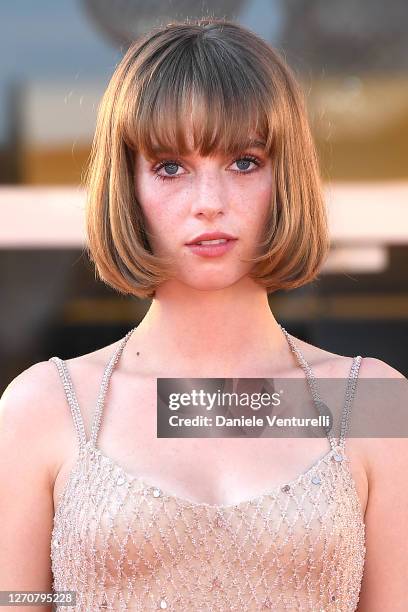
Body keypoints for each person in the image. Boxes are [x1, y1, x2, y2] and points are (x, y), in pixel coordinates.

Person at [0, 17, 407, 612]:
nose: (209, 205)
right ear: (127, 185)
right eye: (170, 167)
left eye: (244, 161)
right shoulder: (43, 408)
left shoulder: (370, 401)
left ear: (284, 176)